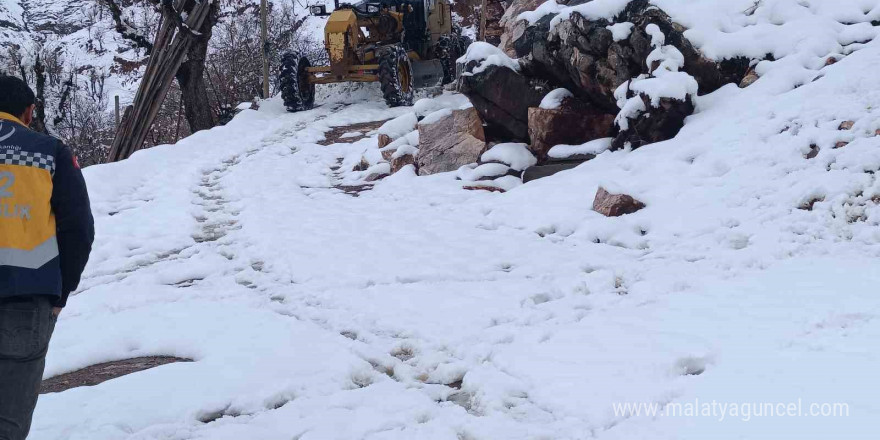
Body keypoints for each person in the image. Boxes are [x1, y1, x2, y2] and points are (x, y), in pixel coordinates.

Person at [0, 75, 94, 440]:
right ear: (28, 112)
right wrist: (61, 293)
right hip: (26, 304)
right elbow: (78, 230)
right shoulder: (48, 151)